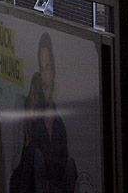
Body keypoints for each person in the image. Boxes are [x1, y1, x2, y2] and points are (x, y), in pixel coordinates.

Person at [9, 32, 77, 193]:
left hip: (53, 180)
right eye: (42, 67)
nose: (45, 73)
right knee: (35, 154)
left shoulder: (60, 121)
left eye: (48, 67)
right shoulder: (29, 108)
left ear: (54, 70)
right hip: (31, 180)